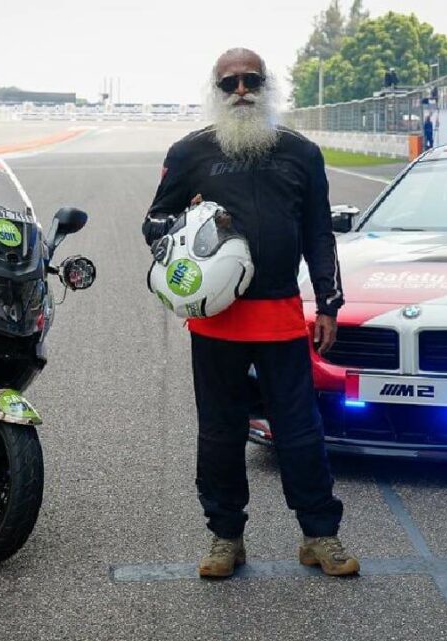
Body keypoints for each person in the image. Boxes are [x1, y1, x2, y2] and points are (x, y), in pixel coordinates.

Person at [141, 47, 356, 579]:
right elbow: (153, 223)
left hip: (282, 314)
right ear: (216, 90)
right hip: (216, 321)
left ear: (267, 85)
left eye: (251, 80)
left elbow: (318, 234)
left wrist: (328, 302)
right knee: (219, 431)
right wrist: (186, 232)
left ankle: (319, 535)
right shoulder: (190, 152)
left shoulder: (300, 153)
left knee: (300, 430)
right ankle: (224, 538)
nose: (241, 90)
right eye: (230, 82)